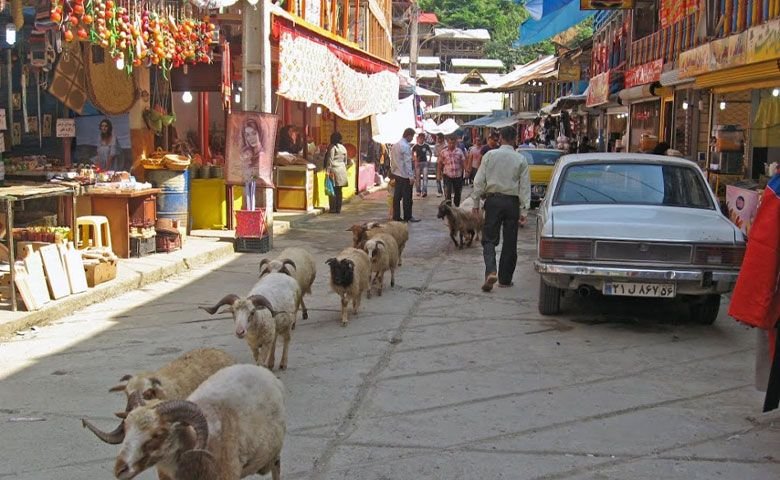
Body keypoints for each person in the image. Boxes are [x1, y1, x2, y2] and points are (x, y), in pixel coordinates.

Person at [471, 126, 531, 292]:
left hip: (494, 201)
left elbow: (479, 181)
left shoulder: (490, 155)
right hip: (512, 203)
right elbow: (525, 187)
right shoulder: (520, 159)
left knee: (489, 239)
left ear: (500, 138)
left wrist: (476, 203)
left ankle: (491, 270)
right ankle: (505, 279)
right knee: (510, 242)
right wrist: (524, 210)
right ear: (515, 139)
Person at [389, 128, 420, 222]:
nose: (412, 139)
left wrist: (393, 172)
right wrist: (411, 176)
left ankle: (396, 216)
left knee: (397, 197)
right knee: (407, 198)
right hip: (404, 175)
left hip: (396, 174)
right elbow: (407, 163)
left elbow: (393, 161)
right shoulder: (405, 146)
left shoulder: (395, 145)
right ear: (409, 136)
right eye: (412, 136)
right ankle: (408, 216)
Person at [325, 132, 349, 214]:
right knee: (339, 191)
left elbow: (330, 160)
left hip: (334, 171)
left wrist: (327, 171)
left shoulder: (332, 147)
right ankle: (338, 208)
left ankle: (333, 208)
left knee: (332, 190)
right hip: (342, 170)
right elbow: (346, 161)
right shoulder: (343, 147)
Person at [439, 134, 466, 207]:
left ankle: (457, 205)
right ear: (447, 142)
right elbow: (440, 163)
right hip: (447, 175)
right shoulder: (443, 152)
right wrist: (439, 174)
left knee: (458, 192)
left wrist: (466, 172)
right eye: (450, 143)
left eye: (453, 143)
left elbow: (463, 162)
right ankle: (448, 207)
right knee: (448, 192)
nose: (451, 144)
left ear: (456, 143)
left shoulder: (459, 151)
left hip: (458, 175)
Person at [412, 133, 432, 197]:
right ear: (418, 138)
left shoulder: (426, 146)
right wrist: (415, 159)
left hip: (424, 163)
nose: (421, 139)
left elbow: (430, 152)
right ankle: (418, 191)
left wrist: (429, 160)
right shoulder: (415, 146)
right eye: (420, 138)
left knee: (425, 178)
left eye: (423, 138)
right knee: (417, 178)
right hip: (418, 163)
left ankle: (424, 191)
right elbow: (412, 153)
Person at [433, 133, 446, 197]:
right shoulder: (436, 145)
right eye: (437, 138)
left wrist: (440, 154)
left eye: (439, 138)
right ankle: (439, 191)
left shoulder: (446, 145)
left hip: (445, 163)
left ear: (442, 139)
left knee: (445, 177)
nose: (438, 140)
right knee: (438, 177)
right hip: (438, 162)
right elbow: (435, 154)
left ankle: (446, 190)